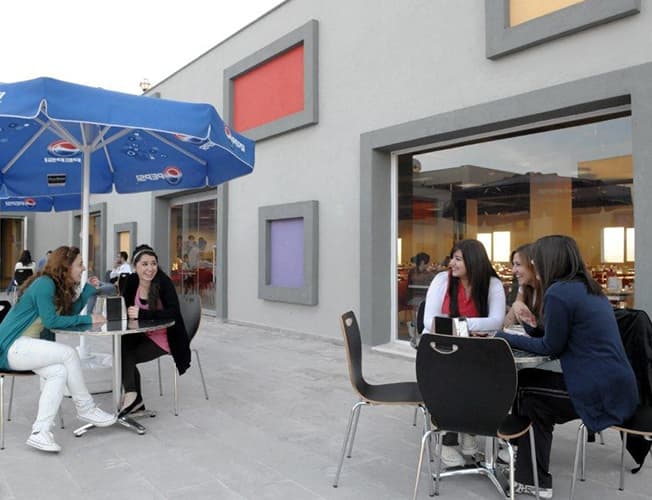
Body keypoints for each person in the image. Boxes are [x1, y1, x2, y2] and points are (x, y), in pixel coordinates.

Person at [495, 235, 638, 498]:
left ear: (550, 260)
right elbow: (558, 337)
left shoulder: (558, 292)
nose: (535, 264)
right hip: (615, 385)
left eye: (537, 259)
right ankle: (523, 464)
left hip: (597, 391)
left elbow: (551, 347)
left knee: (528, 393)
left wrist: (503, 336)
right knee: (528, 385)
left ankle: (526, 471)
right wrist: (531, 326)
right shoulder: (586, 287)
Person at [0, 246, 116, 453]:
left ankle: (40, 432)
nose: (83, 268)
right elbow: (52, 321)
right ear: (66, 266)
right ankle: (86, 408)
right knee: (69, 353)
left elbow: (68, 314)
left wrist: (87, 291)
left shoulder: (55, 286)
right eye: (80, 264)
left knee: (59, 372)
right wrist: (89, 318)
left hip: (26, 347)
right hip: (12, 346)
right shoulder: (44, 284)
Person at [422, 238, 506, 467]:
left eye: (458, 259)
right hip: (440, 348)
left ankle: (469, 430)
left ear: (473, 261)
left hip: (475, 349)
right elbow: (429, 321)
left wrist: (459, 324)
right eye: (453, 258)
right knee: (452, 377)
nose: (452, 263)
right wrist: (469, 326)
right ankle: (447, 441)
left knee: (484, 378)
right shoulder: (442, 280)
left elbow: (496, 320)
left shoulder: (492, 284)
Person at [119, 244, 191, 417]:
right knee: (121, 346)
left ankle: (132, 396)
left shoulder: (163, 282)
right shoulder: (131, 281)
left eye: (153, 263)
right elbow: (125, 308)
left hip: (166, 337)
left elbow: (173, 312)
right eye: (144, 264)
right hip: (141, 333)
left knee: (127, 355)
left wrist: (143, 314)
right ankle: (135, 400)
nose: (150, 268)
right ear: (135, 266)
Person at [503, 244, 542, 331]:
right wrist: (517, 303)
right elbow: (507, 324)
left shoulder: (549, 292)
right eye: (513, 265)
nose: (513, 271)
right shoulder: (526, 288)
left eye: (518, 264)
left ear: (533, 265)